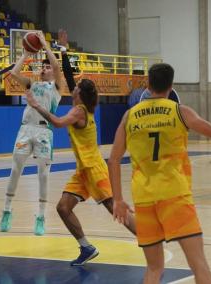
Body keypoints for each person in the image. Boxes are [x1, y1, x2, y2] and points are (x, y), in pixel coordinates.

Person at [25, 29, 136, 265]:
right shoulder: (83, 105)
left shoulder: (78, 111)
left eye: (75, 88)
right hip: (83, 171)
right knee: (63, 208)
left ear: (79, 94)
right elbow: (69, 75)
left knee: (114, 208)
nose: (72, 87)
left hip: (94, 168)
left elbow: (55, 122)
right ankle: (86, 248)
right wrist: (63, 49)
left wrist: (36, 105)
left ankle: (148, 238)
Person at [108, 63, 211, 283]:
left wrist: (118, 199)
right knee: (199, 265)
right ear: (171, 86)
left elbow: (113, 159)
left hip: (144, 200)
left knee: (154, 269)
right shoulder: (180, 112)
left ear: (148, 85)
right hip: (175, 197)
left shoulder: (129, 116)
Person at [0, 32, 62, 236]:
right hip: (26, 129)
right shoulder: (31, 84)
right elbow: (13, 73)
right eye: (42, 66)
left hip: (44, 131)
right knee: (15, 169)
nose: (44, 68)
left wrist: (44, 44)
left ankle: (41, 217)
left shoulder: (57, 87)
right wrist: (25, 54)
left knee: (43, 176)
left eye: (46, 67)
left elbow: (57, 66)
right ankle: (7, 210)